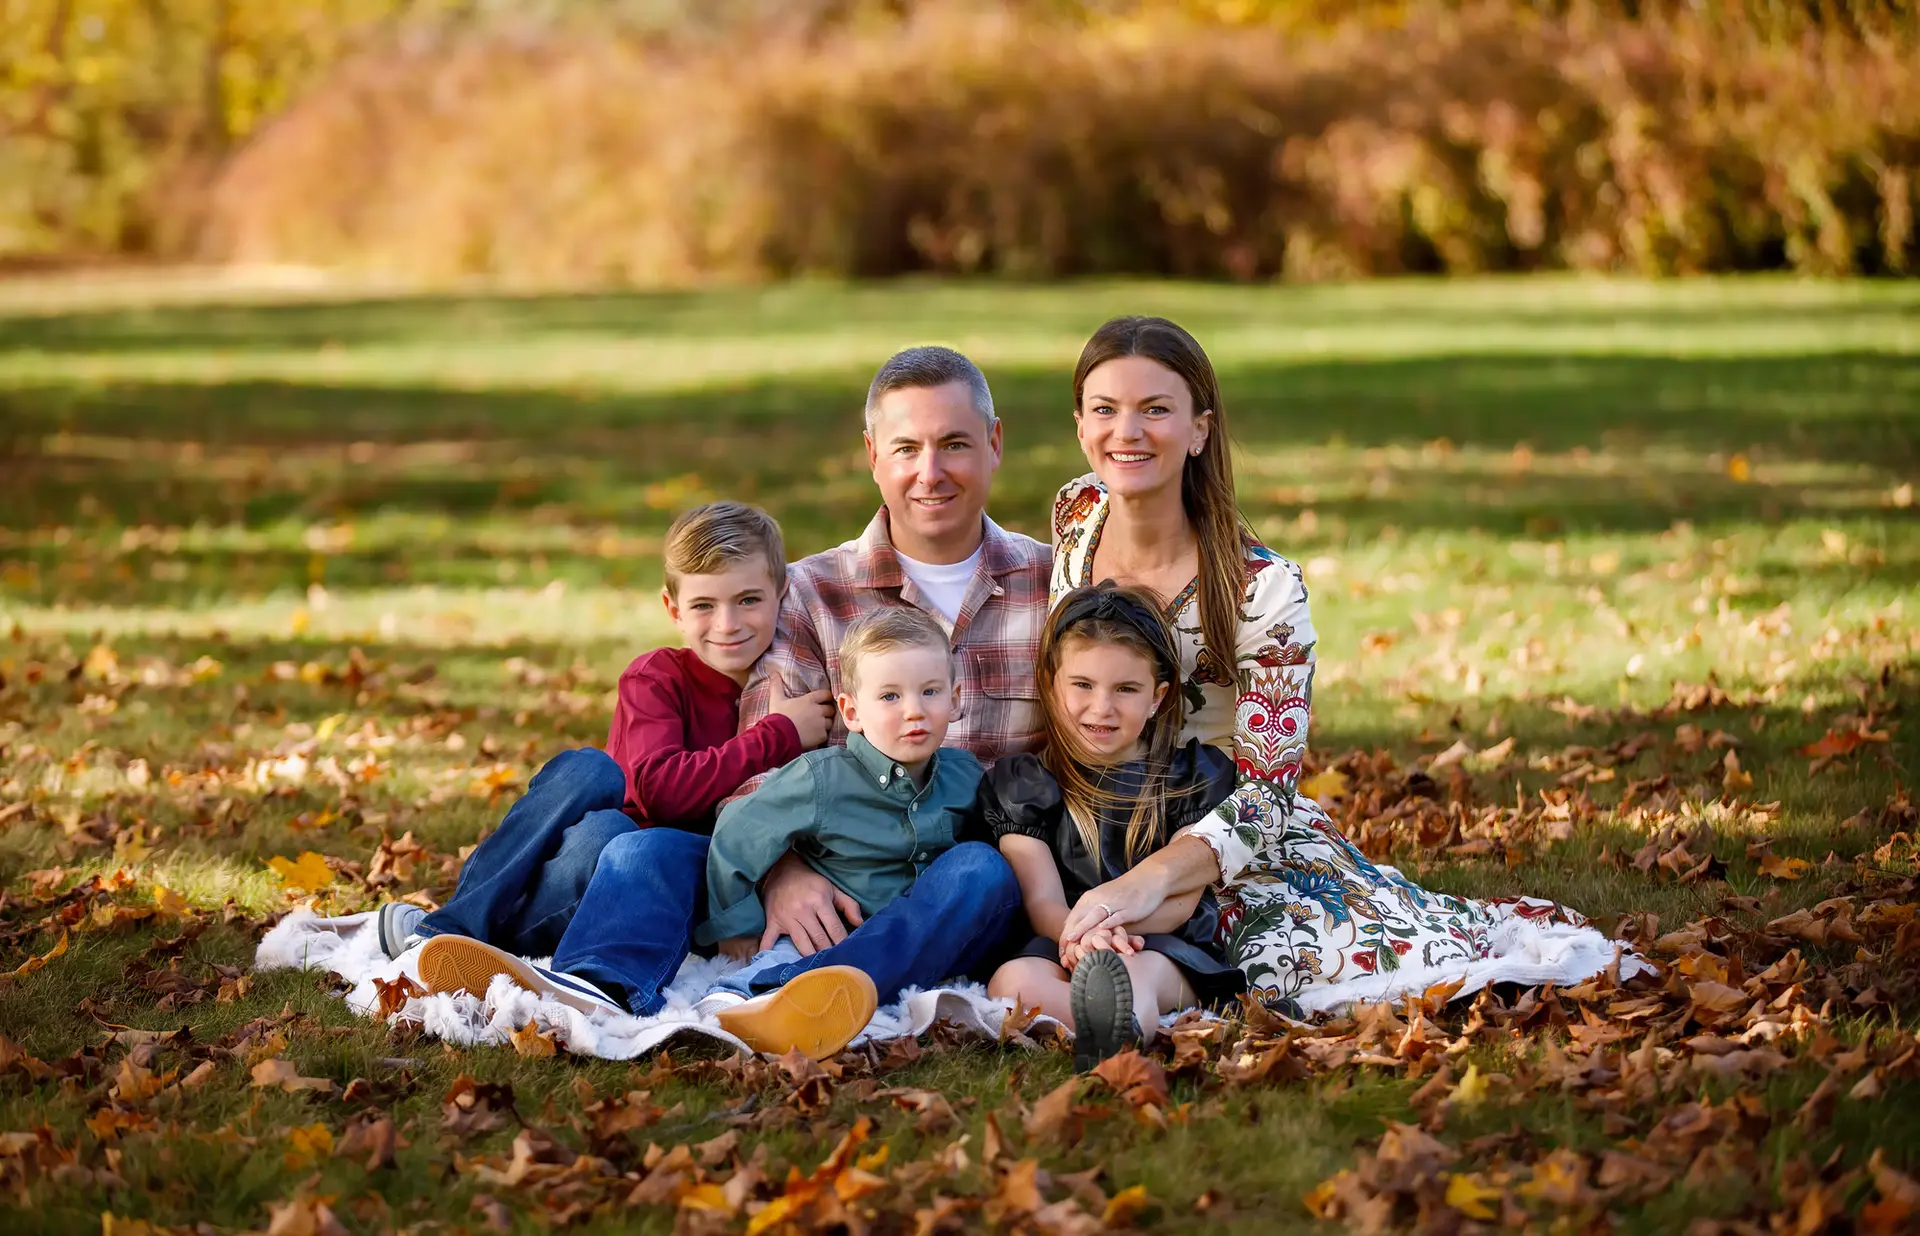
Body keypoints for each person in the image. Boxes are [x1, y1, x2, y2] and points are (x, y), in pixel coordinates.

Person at [1046, 316, 1612, 1019]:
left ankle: (1137, 989)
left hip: (1215, 835)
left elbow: (1265, 795)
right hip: (1089, 812)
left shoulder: (1262, 589)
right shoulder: (1077, 516)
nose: (1126, 432)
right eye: (1105, 409)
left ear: (1199, 431)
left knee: (1276, 955)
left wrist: (1142, 885)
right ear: (1080, 425)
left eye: (1155, 409)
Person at [396, 502, 837, 1015]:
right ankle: (449, 930)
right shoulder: (657, 678)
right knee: (593, 786)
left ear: (782, 595)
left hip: (679, 877)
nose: (728, 623)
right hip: (596, 859)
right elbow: (659, 792)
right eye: (703, 606)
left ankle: (491, 951)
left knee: (625, 844)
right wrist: (778, 734)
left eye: (748, 600)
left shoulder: (796, 680)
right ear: (672, 609)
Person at [733, 345, 1050, 961]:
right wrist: (784, 872)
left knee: (975, 870)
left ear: (995, 444)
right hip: (848, 885)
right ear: (874, 456)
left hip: (996, 888)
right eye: (906, 448)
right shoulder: (809, 591)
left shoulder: (1052, 585)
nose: (930, 473)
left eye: (955, 444)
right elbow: (758, 761)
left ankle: (830, 984)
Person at [692, 608, 1021, 1059]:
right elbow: (737, 833)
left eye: (930, 692)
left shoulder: (966, 777)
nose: (914, 711)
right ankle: (755, 995)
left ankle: (808, 995)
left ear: (955, 697)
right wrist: (737, 928)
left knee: (983, 868)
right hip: (834, 930)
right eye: (890, 696)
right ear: (851, 710)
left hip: (930, 940)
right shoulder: (821, 779)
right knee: (785, 954)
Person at [983, 584, 1243, 1069]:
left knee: (1134, 972)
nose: (1102, 707)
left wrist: (1116, 941)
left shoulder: (1190, 778)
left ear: (1157, 698)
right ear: (1054, 684)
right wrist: (1081, 940)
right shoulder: (1025, 784)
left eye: (1125, 689)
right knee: (1012, 981)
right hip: (1061, 941)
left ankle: (1122, 1024)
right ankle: (1103, 1024)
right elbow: (1041, 902)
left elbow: (1182, 901)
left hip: (1160, 943)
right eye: (1083, 685)